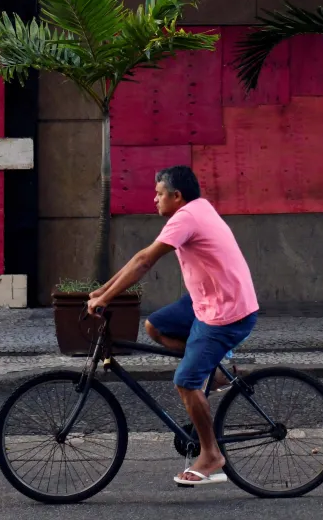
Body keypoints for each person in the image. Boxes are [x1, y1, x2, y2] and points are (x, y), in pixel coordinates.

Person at [88, 165, 259, 488]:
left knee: (185, 381)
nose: (154, 199)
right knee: (155, 326)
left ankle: (211, 455)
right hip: (204, 302)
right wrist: (103, 292)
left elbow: (144, 262)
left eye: (158, 193)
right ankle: (217, 371)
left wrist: (105, 298)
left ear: (176, 196)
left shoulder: (186, 218)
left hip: (226, 311)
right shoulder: (198, 208)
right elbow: (140, 255)